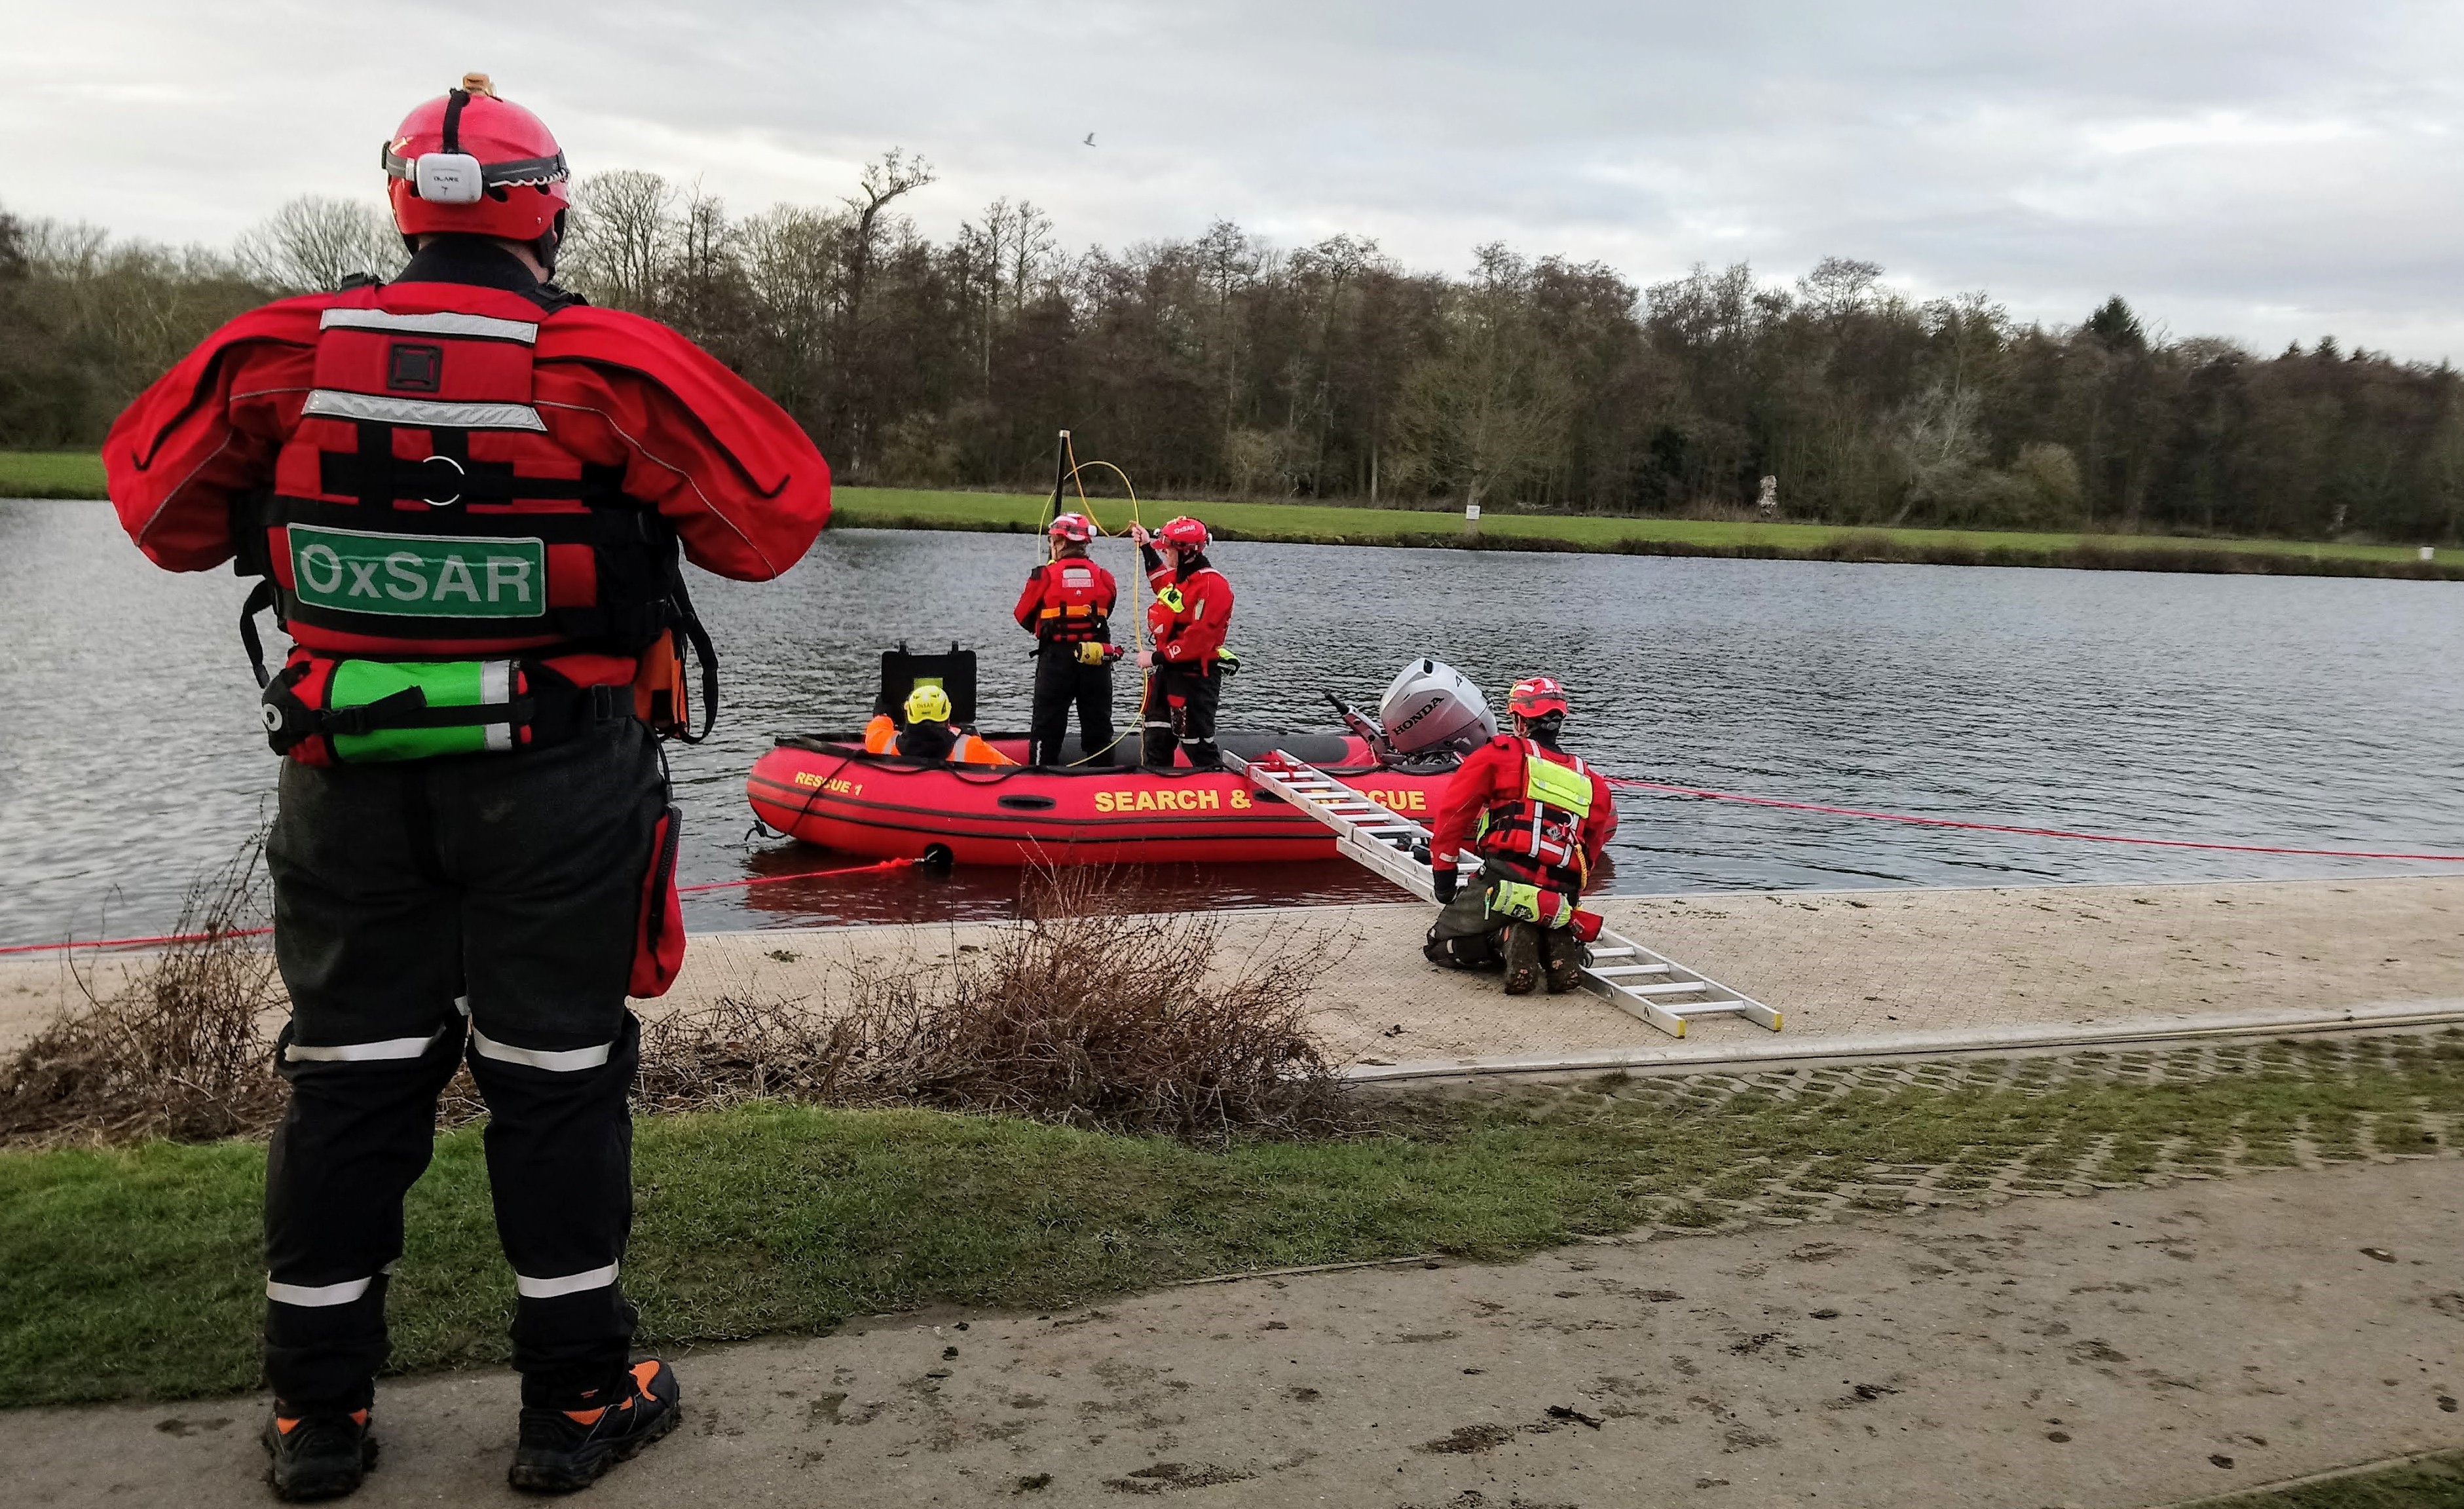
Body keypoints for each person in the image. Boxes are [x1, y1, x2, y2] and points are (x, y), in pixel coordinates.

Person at [100, 75, 832, 1500]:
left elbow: (166, 517)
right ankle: (573, 1399)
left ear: (397, 203)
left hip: (344, 773)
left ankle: (319, 1415)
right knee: (555, 1078)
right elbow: (772, 520)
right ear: (548, 206)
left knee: (348, 1081)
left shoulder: (273, 358)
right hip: (555, 779)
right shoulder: (607, 368)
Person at [1425, 676, 1618, 996]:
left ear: (1518, 719)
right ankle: (1554, 940)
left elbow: (1452, 819)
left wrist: (1444, 877)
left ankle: (1503, 941)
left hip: (1505, 877)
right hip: (1561, 891)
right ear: (1559, 719)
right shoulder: (1593, 782)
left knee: (1438, 945)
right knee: (1548, 920)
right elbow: (1592, 849)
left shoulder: (1497, 756)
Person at [1013, 512, 1119, 765]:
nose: (1050, 545)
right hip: (1095, 658)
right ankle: (1103, 780)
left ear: (1061, 543)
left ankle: (1040, 777)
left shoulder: (1044, 576)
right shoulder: (1105, 577)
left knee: (1047, 724)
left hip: (1057, 660)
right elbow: (1109, 609)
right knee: (1098, 725)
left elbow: (1023, 616)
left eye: (1052, 540)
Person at [1131, 515, 1233, 767]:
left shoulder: (1213, 587)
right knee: (1156, 736)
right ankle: (1154, 789)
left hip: (1195, 680)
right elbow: (1160, 581)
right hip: (1168, 676)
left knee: (1196, 744)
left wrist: (1154, 657)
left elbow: (1197, 640)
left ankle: (1215, 788)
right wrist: (1146, 546)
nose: (1164, 552)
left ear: (1187, 552)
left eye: (1168, 549)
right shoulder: (1180, 579)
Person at [862, 684, 1014, 764]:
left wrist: (883, 715)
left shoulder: (883, 744)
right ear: (947, 716)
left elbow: (876, 730)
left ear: (909, 714)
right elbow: (1013, 770)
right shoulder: (972, 748)